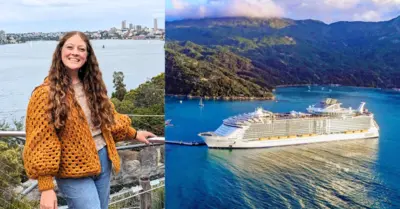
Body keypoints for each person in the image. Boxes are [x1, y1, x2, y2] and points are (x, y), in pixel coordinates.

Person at [23, 31, 155, 209]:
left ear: (87, 56)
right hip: (71, 168)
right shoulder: (44, 94)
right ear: (60, 52)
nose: (75, 52)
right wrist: (46, 187)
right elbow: (42, 140)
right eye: (69, 47)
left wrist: (134, 133)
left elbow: (109, 121)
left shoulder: (93, 87)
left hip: (103, 159)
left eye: (81, 49)